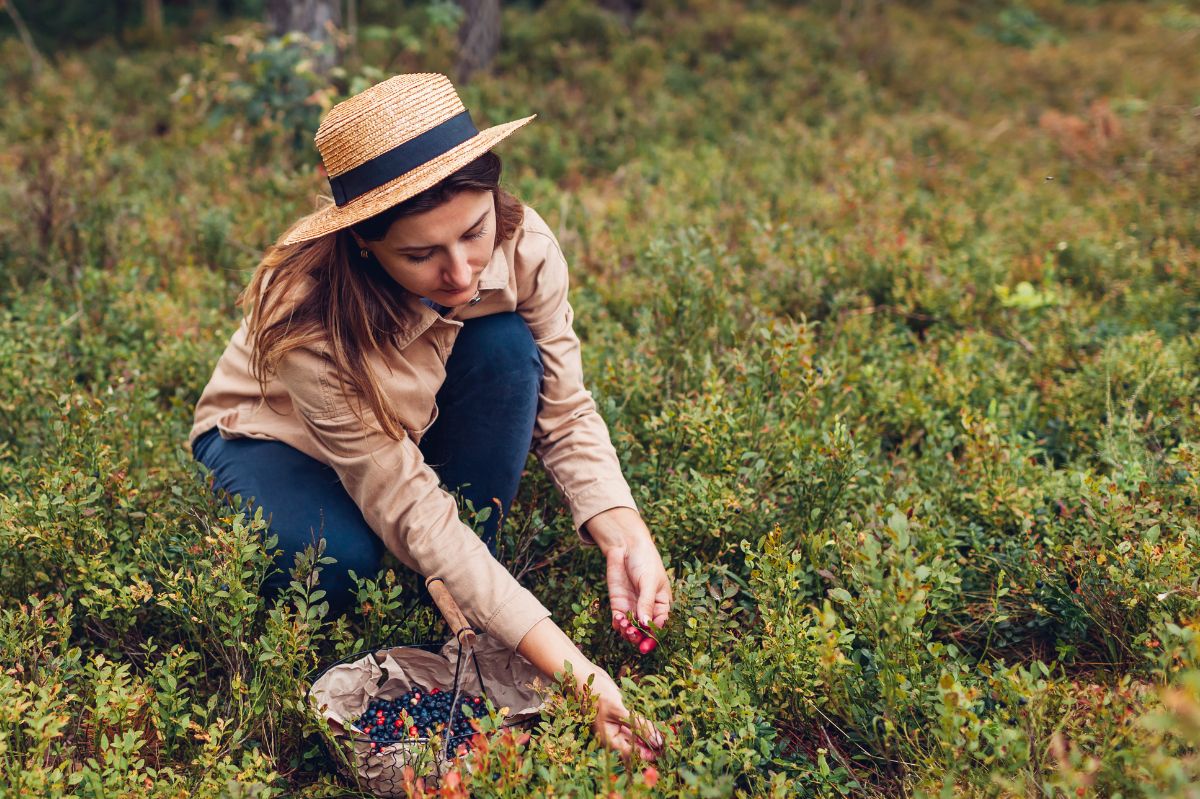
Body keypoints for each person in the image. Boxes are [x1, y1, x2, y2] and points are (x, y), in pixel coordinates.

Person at [188, 73, 670, 759]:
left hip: (410, 421)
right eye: (420, 254)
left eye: (474, 231)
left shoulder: (523, 243)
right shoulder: (307, 319)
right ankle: (451, 586)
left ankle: (474, 583)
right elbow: (412, 506)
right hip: (276, 436)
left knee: (507, 348)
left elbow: (564, 410)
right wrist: (578, 674)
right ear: (365, 242)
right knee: (336, 564)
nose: (461, 271)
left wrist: (625, 535)